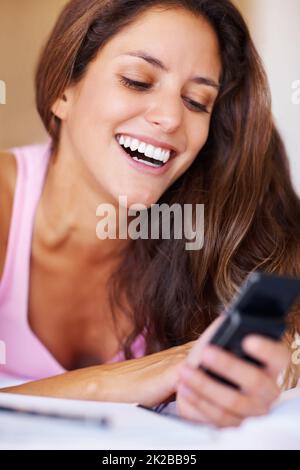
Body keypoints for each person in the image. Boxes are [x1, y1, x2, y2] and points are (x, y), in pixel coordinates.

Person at [0, 0, 299, 428]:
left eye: (197, 102)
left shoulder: (201, 228)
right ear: (64, 90)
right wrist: (111, 385)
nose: (170, 117)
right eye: (138, 81)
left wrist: (267, 370)